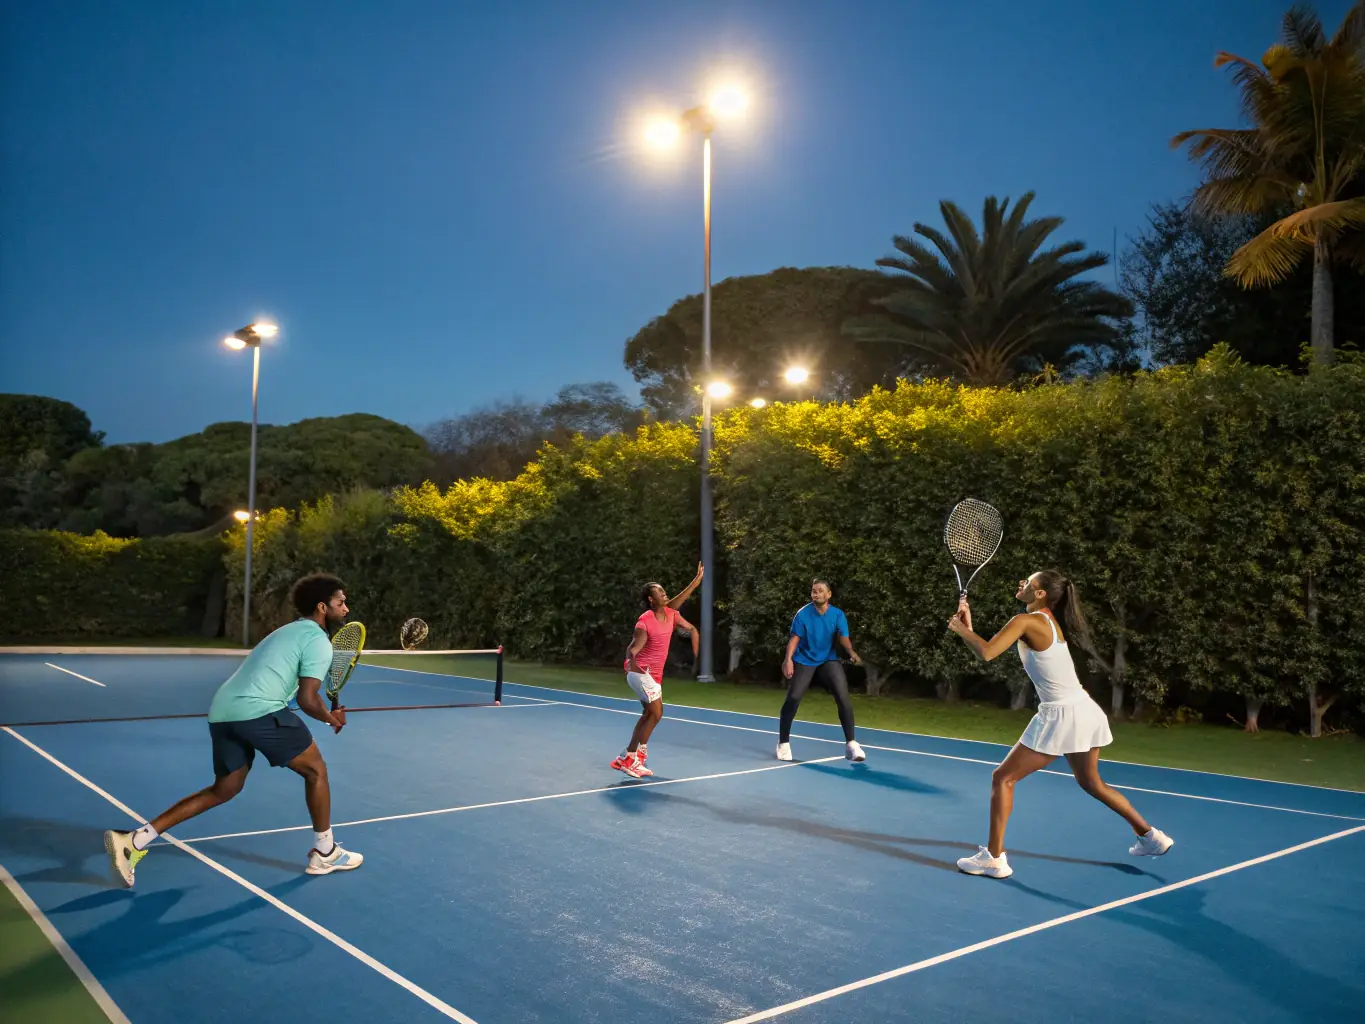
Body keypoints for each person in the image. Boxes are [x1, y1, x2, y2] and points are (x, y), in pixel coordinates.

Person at [103, 573, 364, 887]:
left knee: (225, 789)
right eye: (341, 603)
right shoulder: (319, 641)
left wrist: (325, 713)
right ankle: (325, 853)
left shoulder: (287, 631)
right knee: (316, 771)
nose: (346, 609)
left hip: (223, 711)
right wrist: (329, 718)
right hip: (258, 711)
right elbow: (306, 698)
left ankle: (134, 841)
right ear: (323, 607)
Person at [947, 570, 1173, 879]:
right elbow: (986, 647)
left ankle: (994, 858)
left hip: (1061, 714)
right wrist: (967, 628)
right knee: (1091, 782)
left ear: (1040, 594)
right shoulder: (1045, 621)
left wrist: (961, 630)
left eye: (1028, 582)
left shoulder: (1025, 621)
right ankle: (1151, 837)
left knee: (1003, 778)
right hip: (1083, 708)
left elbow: (987, 653)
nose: (1021, 583)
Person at [611, 563, 703, 778]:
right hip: (640, 672)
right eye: (659, 592)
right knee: (657, 713)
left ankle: (629, 757)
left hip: (653, 675)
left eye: (664, 590)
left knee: (648, 714)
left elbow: (681, 611)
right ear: (651, 599)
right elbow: (632, 648)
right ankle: (632, 758)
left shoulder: (670, 615)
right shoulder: (645, 621)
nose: (664, 593)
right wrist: (632, 662)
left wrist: (695, 582)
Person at [777, 578, 866, 763]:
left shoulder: (838, 615)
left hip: (828, 659)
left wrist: (851, 652)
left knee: (843, 697)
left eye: (819, 591)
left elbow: (843, 638)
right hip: (805, 659)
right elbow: (794, 639)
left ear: (828, 594)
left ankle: (851, 744)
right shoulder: (802, 614)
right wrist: (788, 660)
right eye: (813, 591)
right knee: (793, 698)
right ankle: (783, 743)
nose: (815, 594)